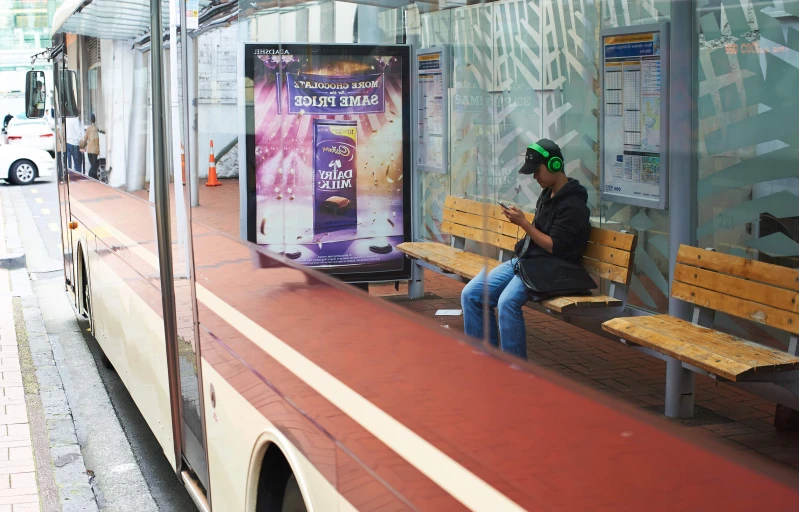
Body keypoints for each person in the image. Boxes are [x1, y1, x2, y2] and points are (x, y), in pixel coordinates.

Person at [460, 139, 591, 360]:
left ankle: (515, 372)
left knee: (507, 302)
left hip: (554, 268)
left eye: (537, 171)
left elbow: (553, 246)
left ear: (555, 165)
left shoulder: (574, 205)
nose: (535, 177)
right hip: (530, 261)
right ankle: (485, 360)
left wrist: (524, 224)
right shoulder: (548, 194)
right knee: (472, 294)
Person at [81, 114, 100, 179]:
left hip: (89, 149)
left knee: (92, 165)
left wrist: (82, 146)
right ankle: (93, 177)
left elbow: (85, 139)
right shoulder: (97, 129)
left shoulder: (88, 129)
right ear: (95, 120)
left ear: (90, 120)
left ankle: (91, 176)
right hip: (95, 150)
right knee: (94, 165)